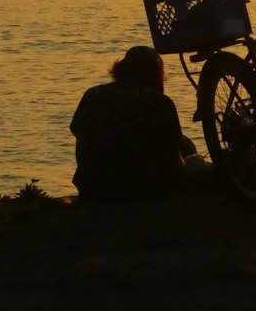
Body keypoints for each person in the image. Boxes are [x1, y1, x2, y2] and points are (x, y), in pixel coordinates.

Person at [70, 45, 194, 200]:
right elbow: (174, 162)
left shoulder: (92, 95)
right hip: (144, 189)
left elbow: (80, 137)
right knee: (187, 148)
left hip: (93, 187)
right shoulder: (159, 102)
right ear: (156, 76)